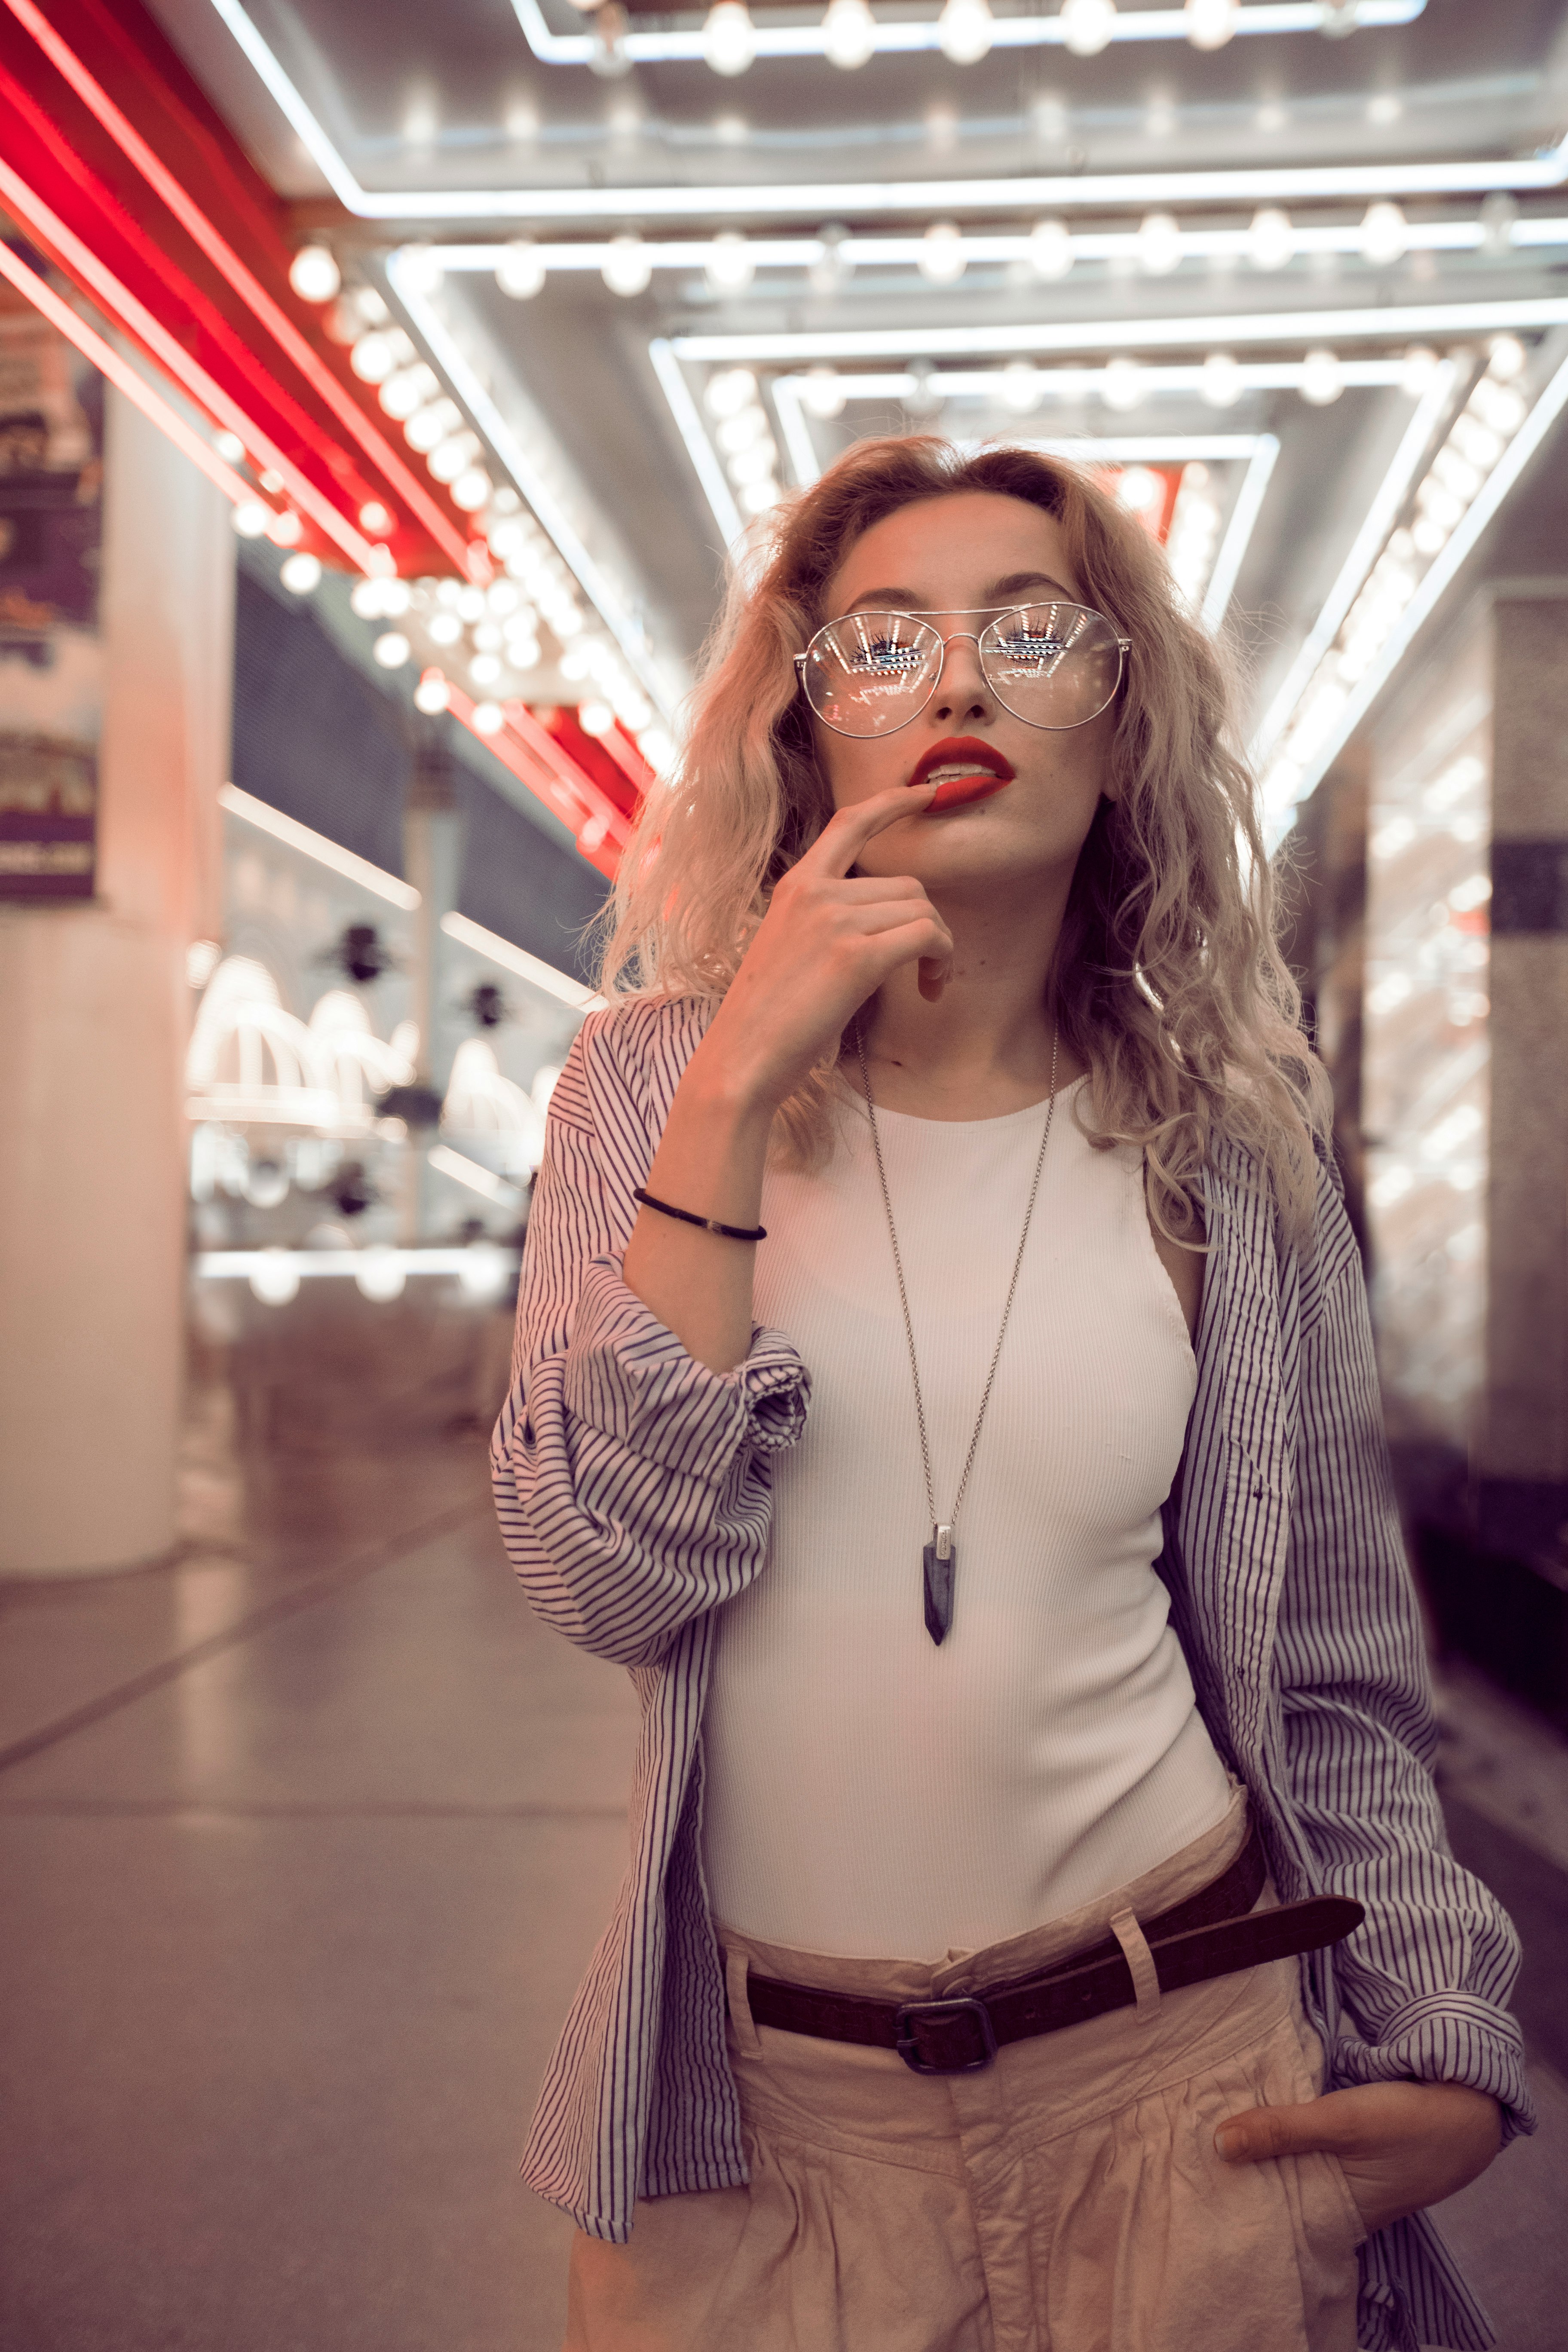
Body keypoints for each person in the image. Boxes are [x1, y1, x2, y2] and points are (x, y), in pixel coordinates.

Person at [492, 437, 1530, 2352]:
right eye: (882, 641)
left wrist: (1453, 2037)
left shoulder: (1232, 1155)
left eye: (1030, 633)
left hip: (1187, 2082)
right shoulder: (644, 1086)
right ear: (809, 737)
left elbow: (1328, 1664)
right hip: (765, 2132)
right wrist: (733, 1092)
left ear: (1123, 735)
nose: (957, 681)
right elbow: (600, 1582)